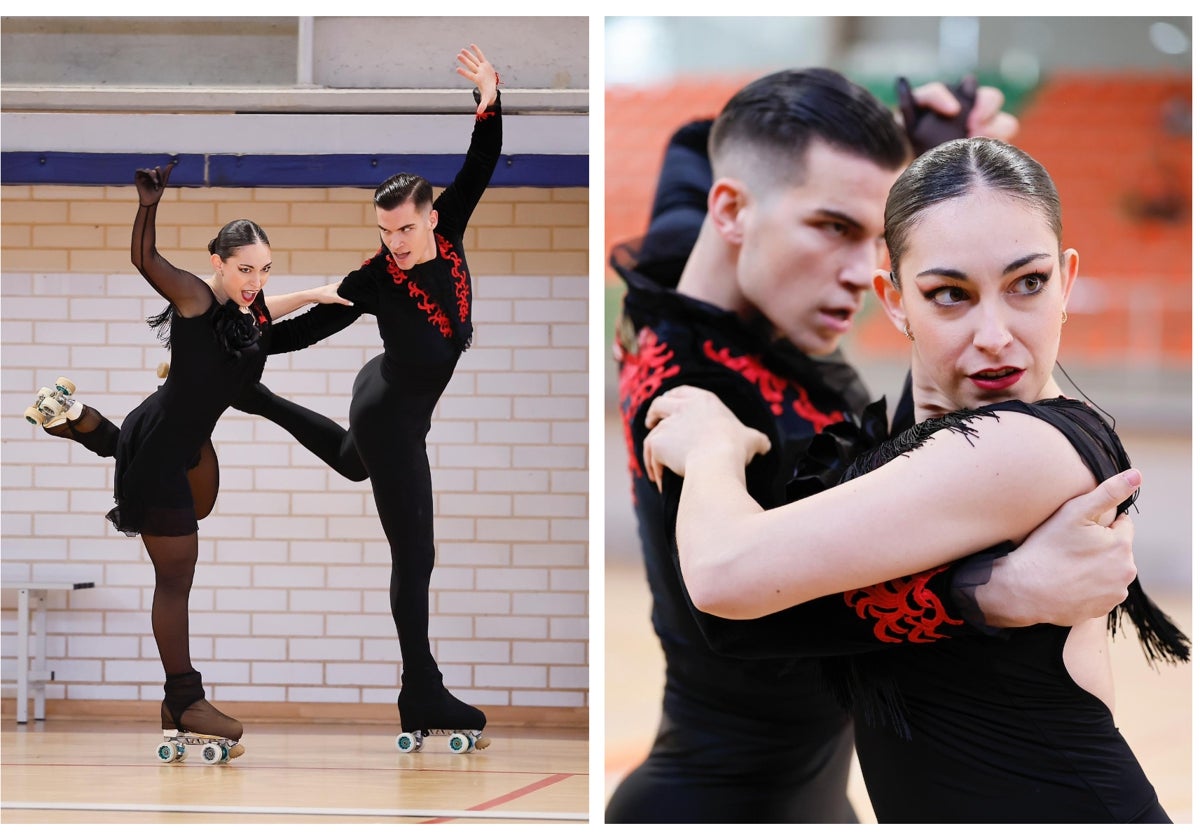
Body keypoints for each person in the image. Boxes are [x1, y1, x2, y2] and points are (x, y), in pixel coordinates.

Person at [608, 69, 1139, 823]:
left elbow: (701, 142)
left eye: (877, 235)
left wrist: (909, 159)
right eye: (836, 228)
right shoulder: (695, 400)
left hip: (827, 803)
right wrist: (992, 591)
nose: (863, 274)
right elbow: (734, 613)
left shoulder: (679, 266)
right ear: (729, 212)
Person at [230, 44, 502, 746]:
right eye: (385, 233)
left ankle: (254, 401)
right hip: (390, 412)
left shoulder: (455, 228)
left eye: (406, 228)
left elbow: (481, 163)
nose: (396, 243)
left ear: (432, 218)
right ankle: (423, 691)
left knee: (354, 461)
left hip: (387, 399)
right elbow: (311, 326)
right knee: (416, 557)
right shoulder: (378, 277)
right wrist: (246, 340)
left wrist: (488, 95)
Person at [33, 162, 348, 757]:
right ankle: (184, 698)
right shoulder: (197, 302)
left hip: (172, 436)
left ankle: (78, 421)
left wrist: (311, 293)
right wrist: (150, 204)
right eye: (244, 269)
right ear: (219, 266)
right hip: (161, 451)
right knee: (175, 579)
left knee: (172, 507)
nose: (254, 280)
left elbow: (262, 313)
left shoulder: (243, 314)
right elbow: (145, 261)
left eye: (263, 270)